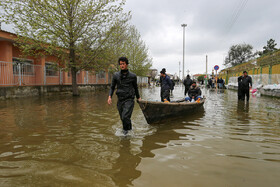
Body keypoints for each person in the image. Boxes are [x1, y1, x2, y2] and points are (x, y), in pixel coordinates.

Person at [108, 57, 141, 134]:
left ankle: (126, 133)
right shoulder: (116, 75)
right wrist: (110, 96)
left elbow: (135, 87)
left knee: (125, 116)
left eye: (123, 64)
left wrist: (138, 97)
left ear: (127, 64)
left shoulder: (133, 76)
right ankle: (129, 131)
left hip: (129, 99)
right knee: (123, 118)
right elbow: (112, 87)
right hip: (120, 100)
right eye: (120, 64)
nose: (122, 65)